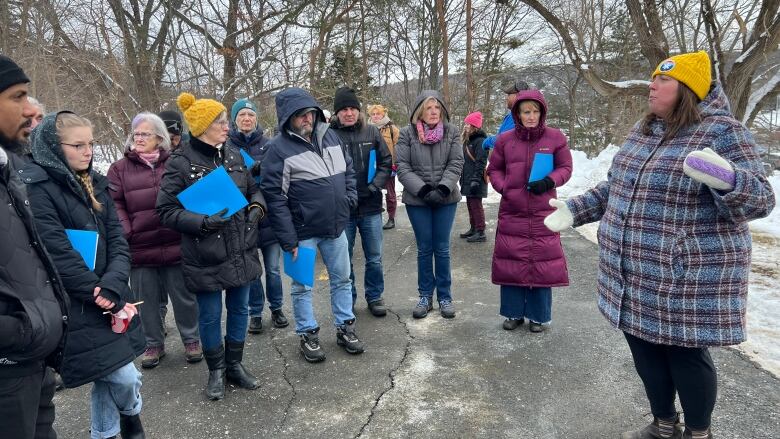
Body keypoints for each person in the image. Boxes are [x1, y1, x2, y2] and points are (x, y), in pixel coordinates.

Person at [543, 51, 776, 439]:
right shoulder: (644, 130)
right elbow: (618, 187)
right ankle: (663, 424)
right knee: (644, 350)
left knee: (684, 354)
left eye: (663, 80)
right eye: (653, 77)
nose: (652, 85)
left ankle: (698, 433)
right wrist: (576, 209)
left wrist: (728, 178)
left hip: (684, 274)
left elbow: (762, 200)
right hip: (632, 270)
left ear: (687, 89)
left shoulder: (722, 132)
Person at [20, 111, 146, 439]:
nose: (88, 151)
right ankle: (132, 418)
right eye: (77, 145)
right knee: (121, 375)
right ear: (53, 147)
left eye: (90, 144)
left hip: (112, 292)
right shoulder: (37, 189)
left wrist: (114, 284)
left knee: (111, 374)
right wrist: (98, 293)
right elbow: (58, 254)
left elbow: (118, 240)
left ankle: (106, 433)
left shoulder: (95, 182)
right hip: (77, 304)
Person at [156, 92, 266, 400]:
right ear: (203, 126)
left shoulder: (233, 153)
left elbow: (254, 188)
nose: (226, 125)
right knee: (209, 314)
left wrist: (257, 206)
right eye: (219, 121)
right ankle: (215, 370)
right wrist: (201, 222)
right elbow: (165, 210)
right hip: (205, 252)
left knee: (240, 309)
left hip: (241, 246)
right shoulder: (180, 161)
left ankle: (235, 365)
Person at [260, 87, 364, 362]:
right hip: (301, 233)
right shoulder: (277, 149)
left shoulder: (330, 135)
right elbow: (275, 198)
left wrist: (349, 198)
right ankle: (308, 333)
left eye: (310, 113)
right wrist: (288, 239)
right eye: (300, 115)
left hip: (336, 226)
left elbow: (349, 170)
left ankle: (345, 327)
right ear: (287, 118)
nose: (307, 119)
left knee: (343, 279)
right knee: (302, 285)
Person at [0, 55, 69, 439]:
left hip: (33, 361)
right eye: (18, 96)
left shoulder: (8, 169)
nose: (30, 109)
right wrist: (17, 331)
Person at [107, 112, 202, 369]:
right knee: (144, 300)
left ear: (160, 138)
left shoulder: (176, 163)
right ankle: (153, 344)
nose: (138, 138)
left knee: (184, 297)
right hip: (140, 246)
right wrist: (129, 231)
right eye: (135, 134)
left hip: (175, 240)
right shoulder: (118, 169)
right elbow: (113, 204)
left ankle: (192, 339)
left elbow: (191, 196)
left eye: (145, 134)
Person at [487, 90, 572, 333]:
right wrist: (505, 188)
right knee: (511, 261)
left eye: (535, 111)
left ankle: (539, 316)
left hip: (543, 211)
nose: (531, 116)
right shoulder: (505, 140)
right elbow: (494, 170)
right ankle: (513, 313)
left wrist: (550, 181)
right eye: (526, 112)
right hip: (512, 210)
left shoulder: (555, 138)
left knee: (542, 263)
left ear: (542, 112)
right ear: (518, 114)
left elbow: (566, 167)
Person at [396, 90, 463, 319]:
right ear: (419, 112)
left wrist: (443, 188)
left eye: (437, 108)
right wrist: (423, 190)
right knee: (425, 248)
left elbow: (456, 162)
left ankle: (445, 297)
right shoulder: (407, 134)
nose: (433, 112)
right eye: (428, 108)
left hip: (446, 199)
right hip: (418, 200)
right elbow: (403, 167)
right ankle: (425, 296)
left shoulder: (453, 132)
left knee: (442, 248)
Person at [226, 97, 288, 333]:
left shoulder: (269, 144)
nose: (246, 118)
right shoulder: (227, 146)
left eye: (250, 115)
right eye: (241, 115)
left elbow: (279, 176)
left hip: (268, 215)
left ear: (256, 119)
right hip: (242, 219)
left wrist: (265, 169)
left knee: (272, 269)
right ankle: (255, 313)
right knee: (252, 272)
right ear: (235, 119)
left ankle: (277, 308)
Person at [330, 87, 393, 317]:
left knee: (374, 257)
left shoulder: (372, 133)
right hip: (343, 209)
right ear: (337, 113)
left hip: (371, 206)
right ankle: (349, 299)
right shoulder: (329, 136)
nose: (349, 113)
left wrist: (374, 186)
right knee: (344, 260)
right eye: (344, 109)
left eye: (353, 108)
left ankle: (375, 296)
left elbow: (386, 162)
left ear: (358, 111)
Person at [368, 104, 401, 230]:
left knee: (390, 194)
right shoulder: (366, 129)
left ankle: (391, 218)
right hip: (372, 167)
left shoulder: (392, 129)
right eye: (373, 114)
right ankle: (375, 216)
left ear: (383, 114)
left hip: (388, 166)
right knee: (373, 191)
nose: (376, 116)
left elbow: (398, 148)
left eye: (378, 114)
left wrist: (395, 164)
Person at [458, 111, 489, 242]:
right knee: (471, 205)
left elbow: (481, 162)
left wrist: (476, 179)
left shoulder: (480, 141)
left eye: (468, 124)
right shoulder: (468, 141)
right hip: (468, 178)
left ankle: (480, 232)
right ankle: (473, 228)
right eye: (465, 124)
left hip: (476, 179)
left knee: (476, 205)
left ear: (474, 126)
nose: (465, 126)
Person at [482, 78, 529, 151]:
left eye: (509, 95)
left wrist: (487, 142)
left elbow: (504, 139)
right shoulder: (515, 114)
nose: (506, 98)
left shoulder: (517, 116)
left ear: (517, 96)